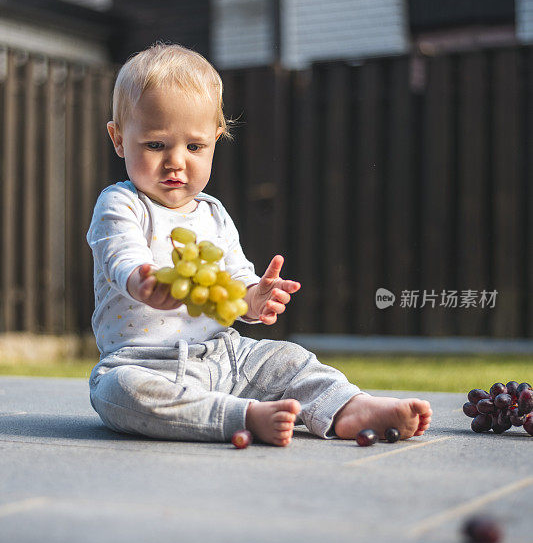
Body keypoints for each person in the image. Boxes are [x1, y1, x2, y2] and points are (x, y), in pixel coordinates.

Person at [87, 43, 432, 447]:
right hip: (143, 364)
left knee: (288, 358)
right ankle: (241, 416)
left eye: (194, 146)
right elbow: (121, 254)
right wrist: (142, 281)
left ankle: (348, 406)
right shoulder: (121, 202)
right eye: (155, 145)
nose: (176, 161)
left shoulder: (213, 214)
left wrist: (253, 298)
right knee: (119, 393)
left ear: (216, 140)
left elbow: (233, 278)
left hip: (225, 357)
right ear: (119, 140)